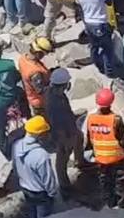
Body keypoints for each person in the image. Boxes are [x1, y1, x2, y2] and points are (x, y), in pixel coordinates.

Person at [44, 68, 86, 196]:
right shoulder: (53, 101)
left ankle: (80, 161)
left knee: (79, 137)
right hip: (62, 132)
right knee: (63, 157)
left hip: (69, 126)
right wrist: (64, 139)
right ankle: (64, 185)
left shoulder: (56, 94)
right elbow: (56, 122)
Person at [86, 88, 124, 208]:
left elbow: (89, 139)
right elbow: (122, 140)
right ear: (111, 102)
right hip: (117, 158)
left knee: (105, 182)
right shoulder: (115, 119)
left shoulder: (90, 119)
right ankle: (122, 206)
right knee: (120, 182)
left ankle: (108, 204)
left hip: (100, 159)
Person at [75, 0, 116, 77]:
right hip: (101, 23)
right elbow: (109, 3)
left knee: (94, 47)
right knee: (108, 49)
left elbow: (79, 8)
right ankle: (109, 73)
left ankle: (98, 68)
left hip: (88, 24)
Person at [13, 116, 58, 217]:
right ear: (40, 135)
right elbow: (48, 179)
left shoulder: (17, 145)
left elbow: (15, 167)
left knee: (31, 212)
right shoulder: (41, 155)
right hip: (40, 193)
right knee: (44, 214)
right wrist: (53, 193)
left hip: (25, 188)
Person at [18, 37, 53, 116]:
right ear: (38, 53)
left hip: (31, 97)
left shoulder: (23, 58)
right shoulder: (35, 72)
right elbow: (41, 90)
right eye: (44, 54)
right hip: (40, 102)